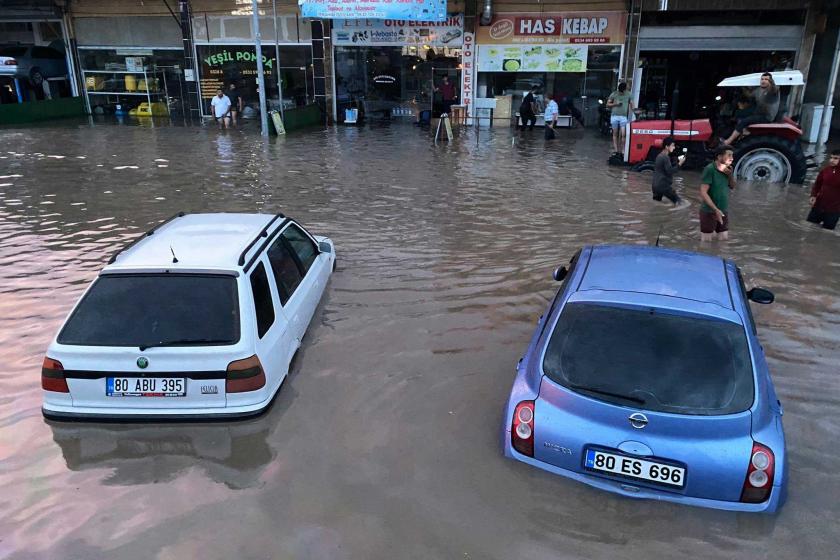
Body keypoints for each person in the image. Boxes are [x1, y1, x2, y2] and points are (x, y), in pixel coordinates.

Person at [723, 72, 779, 145]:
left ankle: (728, 141)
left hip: (766, 116)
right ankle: (742, 133)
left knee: (745, 121)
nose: (763, 81)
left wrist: (772, 83)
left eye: (766, 79)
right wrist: (742, 85)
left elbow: (774, 89)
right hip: (758, 113)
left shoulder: (771, 91)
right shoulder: (759, 90)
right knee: (739, 114)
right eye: (762, 79)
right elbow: (749, 95)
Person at [699, 145, 736, 241]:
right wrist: (715, 209)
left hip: (723, 210)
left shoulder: (728, 170)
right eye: (729, 155)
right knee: (706, 242)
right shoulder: (710, 169)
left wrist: (730, 175)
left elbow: (732, 186)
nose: (732, 158)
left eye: (732, 156)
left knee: (723, 240)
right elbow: (703, 192)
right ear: (719, 157)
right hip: (709, 212)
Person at [807, 149, 840, 230]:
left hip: (833, 211)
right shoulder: (825, 170)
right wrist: (813, 196)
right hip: (818, 207)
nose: (832, 160)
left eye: (836, 158)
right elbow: (817, 185)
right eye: (831, 157)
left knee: (826, 235)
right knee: (808, 228)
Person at [652, 136, 686, 205]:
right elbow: (670, 171)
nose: (674, 147)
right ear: (667, 147)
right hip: (663, 186)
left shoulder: (659, 156)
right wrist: (680, 163)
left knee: (657, 204)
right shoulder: (665, 157)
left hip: (655, 186)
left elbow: (664, 169)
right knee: (680, 203)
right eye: (672, 146)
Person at [607, 82, 633, 155]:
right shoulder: (614, 94)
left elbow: (631, 104)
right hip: (614, 116)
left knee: (623, 134)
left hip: (623, 117)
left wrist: (634, 112)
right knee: (615, 133)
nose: (628, 88)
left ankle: (623, 150)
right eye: (627, 87)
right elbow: (608, 104)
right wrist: (615, 104)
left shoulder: (629, 94)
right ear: (623, 89)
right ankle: (616, 150)